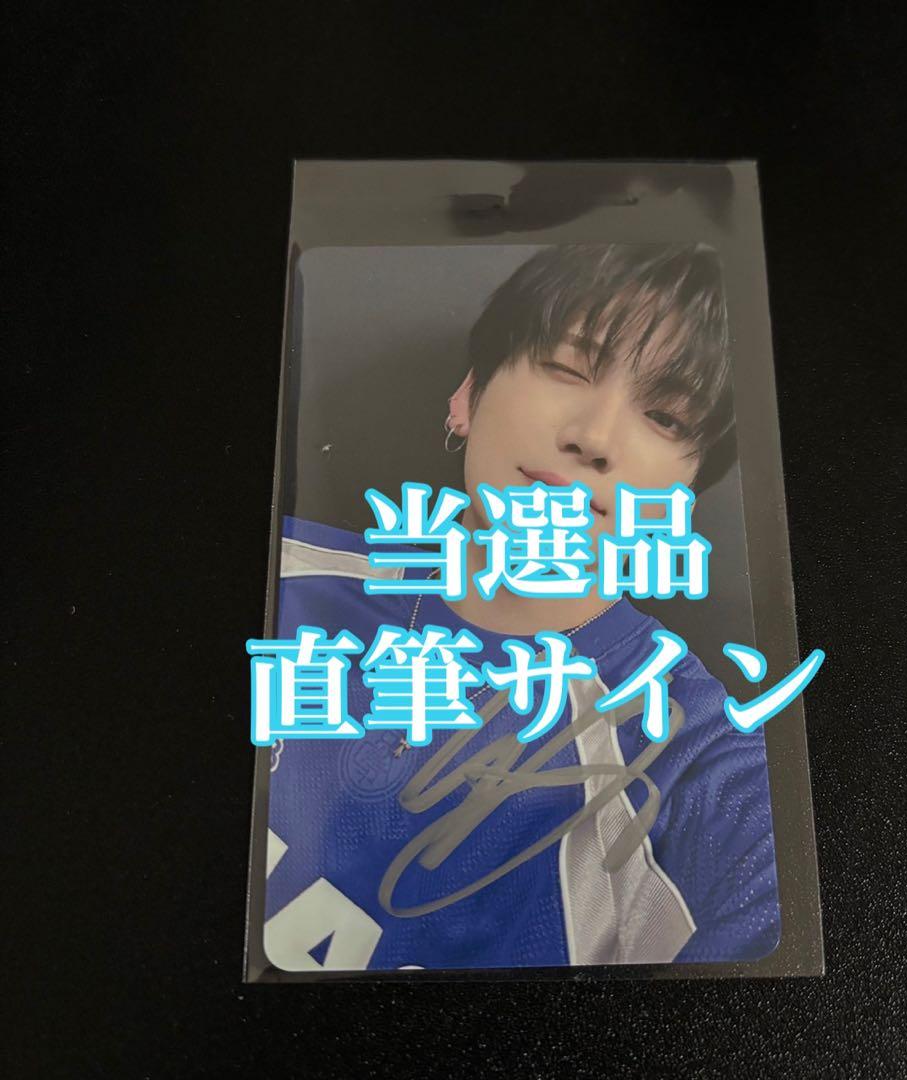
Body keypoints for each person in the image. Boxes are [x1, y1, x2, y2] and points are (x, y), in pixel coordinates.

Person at [263, 244, 781, 972]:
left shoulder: (695, 761)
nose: (594, 438)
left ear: (681, 495)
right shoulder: (281, 577)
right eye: (568, 368)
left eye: (666, 417)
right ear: (468, 396)